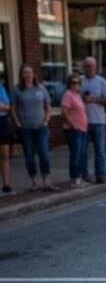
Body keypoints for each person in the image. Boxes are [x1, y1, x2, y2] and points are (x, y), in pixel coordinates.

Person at [9, 63, 58, 192]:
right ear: (21, 75)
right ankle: (34, 182)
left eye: (29, 72)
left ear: (33, 74)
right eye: (25, 72)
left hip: (40, 127)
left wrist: (46, 120)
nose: (27, 75)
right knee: (29, 156)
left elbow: (48, 105)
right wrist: (17, 123)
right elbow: (13, 108)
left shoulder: (40, 88)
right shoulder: (17, 89)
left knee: (44, 154)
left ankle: (46, 181)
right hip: (25, 128)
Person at [80, 56, 106, 184]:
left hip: (98, 120)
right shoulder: (79, 81)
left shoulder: (101, 81)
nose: (90, 68)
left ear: (96, 67)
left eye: (92, 65)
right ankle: (84, 175)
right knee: (83, 150)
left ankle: (100, 174)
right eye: (87, 66)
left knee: (99, 149)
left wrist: (93, 99)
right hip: (82, 121)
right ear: (84, 67)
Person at [60, 73, 88, 187]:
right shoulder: (67, 95)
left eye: (77, 83)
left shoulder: (77, 95)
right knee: (75, 154)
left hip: (82, 129)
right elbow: (64, 110)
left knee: (81, 154)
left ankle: (80, 177)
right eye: (73, 83)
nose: (76, 85)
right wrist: (73, 124)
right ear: (69, 84)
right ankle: (76, 178)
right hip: (73, 129)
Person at [0, 77, 12, 193]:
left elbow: (8, 106)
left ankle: (6, 184)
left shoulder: (1, 88)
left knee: (5, 154)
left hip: (2, 121)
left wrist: (2, 106)